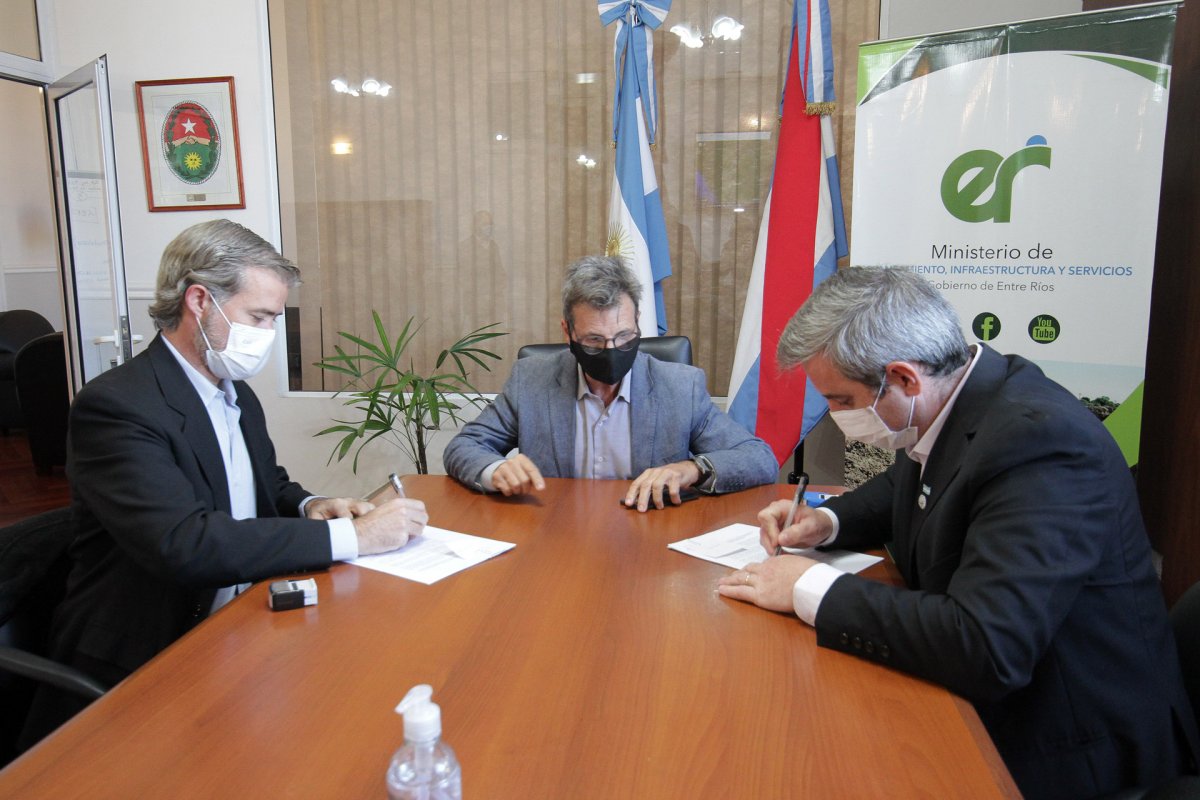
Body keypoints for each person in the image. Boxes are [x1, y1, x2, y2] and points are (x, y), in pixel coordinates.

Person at [717, 267, 1198, 798]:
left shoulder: (1040, 442)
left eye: (842, 401)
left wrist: (807, 586)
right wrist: (826, 521)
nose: (834, 416)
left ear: (904, 378)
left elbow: (987, 645)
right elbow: (911, 481)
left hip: (1072, 742)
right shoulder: (961, 397)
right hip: (1004, 702)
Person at [23, 219, 427, 743]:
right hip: (148, 651)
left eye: (274, 319)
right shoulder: (117, 407)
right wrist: (356, 537)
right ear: (199, 301)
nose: (268, 335)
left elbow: (267, 486)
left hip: (237, 620)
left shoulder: (234, 391)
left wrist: (311, 505)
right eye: (259, 317)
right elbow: (184, 543)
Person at [442, 255, 777, 511]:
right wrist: (495, 470)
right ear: (567, 332)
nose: (611, 350)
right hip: (555, 533)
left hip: (650, 538)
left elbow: (759, 458)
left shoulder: (680, 387)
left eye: (624, 336)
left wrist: (691, 469)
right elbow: (464, 446)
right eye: (594, 340)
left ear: (638, 323)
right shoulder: (531, 381)